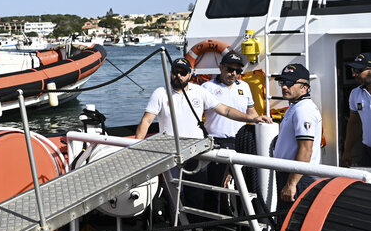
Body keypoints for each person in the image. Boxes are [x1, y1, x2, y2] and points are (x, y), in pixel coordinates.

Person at [134, 57, 270, 213]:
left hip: (196, 152)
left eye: (183, 72)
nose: (178, 76)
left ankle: (197, 230)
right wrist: (136, 150)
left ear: (190, 74)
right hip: (171, 152)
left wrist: (252, 118)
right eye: (175, 72)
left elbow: (225, 110)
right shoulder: (161, 93)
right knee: (175, 196)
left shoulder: (199, 92)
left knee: (197, 194)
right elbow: (146, 121)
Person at [201, 51, 257, 211]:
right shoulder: (208, 87)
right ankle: (210, 224)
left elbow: (251, 111)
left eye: (238, 71)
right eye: (230, 69)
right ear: (221, 67)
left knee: (245, 186)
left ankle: (243, 221)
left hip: (241, 142)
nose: (234, 74)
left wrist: (258, 122)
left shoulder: (245, 87)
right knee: (214, 186)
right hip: (217, 142)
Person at [271, 63, 322, 204]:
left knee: (290, 222)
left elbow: (306, 150)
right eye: (282, 82)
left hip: (298, 177)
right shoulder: (295, 107)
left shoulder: (304, 110)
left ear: (304, 87)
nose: (284, 87)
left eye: (289, 83)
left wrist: (291, 183)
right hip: (292, 174)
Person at [341, 53, 371, 167]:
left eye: (358, 70)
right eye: (353, 70)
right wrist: (347, 151)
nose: (354, 74)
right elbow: (354, 123)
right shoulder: (355, 93)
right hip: (368, 151)